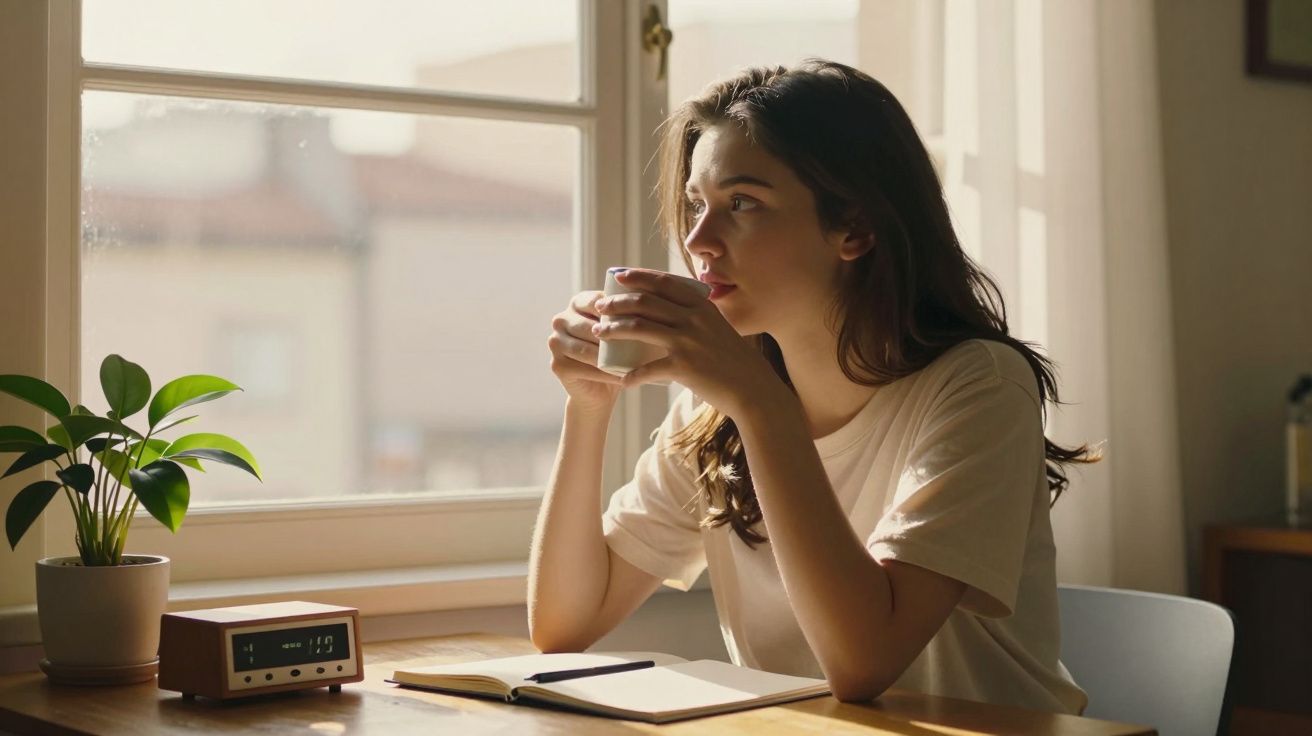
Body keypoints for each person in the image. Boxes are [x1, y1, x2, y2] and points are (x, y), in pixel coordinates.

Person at [530, 59, 1096, 713]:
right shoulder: (720, 403)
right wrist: (589, 405)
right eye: (694, 205)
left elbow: (864, 663)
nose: (697, 241)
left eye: (741, 203)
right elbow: (563, 627)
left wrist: (760, 405)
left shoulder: (980, 387)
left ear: (855, 227)